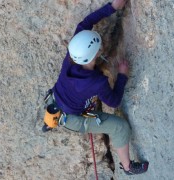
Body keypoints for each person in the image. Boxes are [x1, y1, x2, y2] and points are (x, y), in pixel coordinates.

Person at [42, 0, 149, 175]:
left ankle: (49, 122)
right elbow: (114, 101)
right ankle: (128, 167)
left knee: (65, 105)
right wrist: (122, 75)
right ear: (94, 54)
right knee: (120, 127)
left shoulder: (73, 54)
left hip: (57, 99)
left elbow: (84, 24)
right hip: (75, 119)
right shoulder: (96, 81)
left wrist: (112, 7)